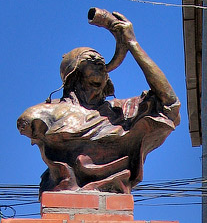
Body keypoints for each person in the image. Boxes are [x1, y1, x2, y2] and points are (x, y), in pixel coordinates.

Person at [16, 11, 180, 194]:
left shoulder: (120, 112)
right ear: (74, 74)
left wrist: (133, 44)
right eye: (93, 62)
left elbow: (169, 104)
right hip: (65, 193)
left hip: (114, 197)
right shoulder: (41, 115)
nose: (102, 69)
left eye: (103, 65)